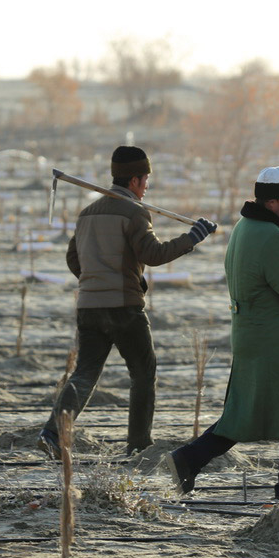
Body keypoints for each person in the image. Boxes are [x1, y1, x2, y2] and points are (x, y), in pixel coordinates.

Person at [166, 166, 279, 500]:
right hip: (276, 340)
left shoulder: (245, 228)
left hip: (252, 335)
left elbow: (277, 278)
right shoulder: (271, 236)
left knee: (242, 413)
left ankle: (187, 460)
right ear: (273, 201)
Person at [38, 145, 217, 459]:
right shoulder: (135, 212)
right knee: (143, 373)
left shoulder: (87, 214)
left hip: (89, 307)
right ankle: (138, 446)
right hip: (124, 308)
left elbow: (72, 259)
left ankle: (52, 433)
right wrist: (193, 238)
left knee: (84, 373)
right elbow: (154, 254)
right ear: (134, 180)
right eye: (146, 179)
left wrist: (96, 280)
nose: (147, 185)